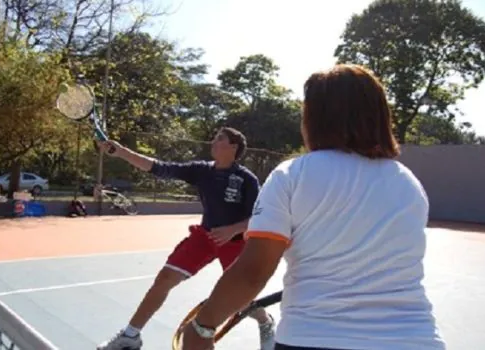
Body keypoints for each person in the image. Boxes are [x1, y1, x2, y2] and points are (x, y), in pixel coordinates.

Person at [180, 64, 447, 350]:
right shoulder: (408, 183)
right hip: (417, 340)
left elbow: (253, 271)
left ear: (314, 119)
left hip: (312, 337)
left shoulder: (292, 174)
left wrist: (202, 327)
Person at [96, 127, 276, 350]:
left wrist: (232, 229)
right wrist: (122, 152)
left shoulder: (246, 179)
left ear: (233, 147)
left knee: (240, 298)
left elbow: (259, 217)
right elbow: (158, 167)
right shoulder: (201, 170)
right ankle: (130, 336)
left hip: (235, 242)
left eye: (220, 139)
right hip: (205, 237)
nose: (213, 141)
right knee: (164, 278)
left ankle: (265, 321)